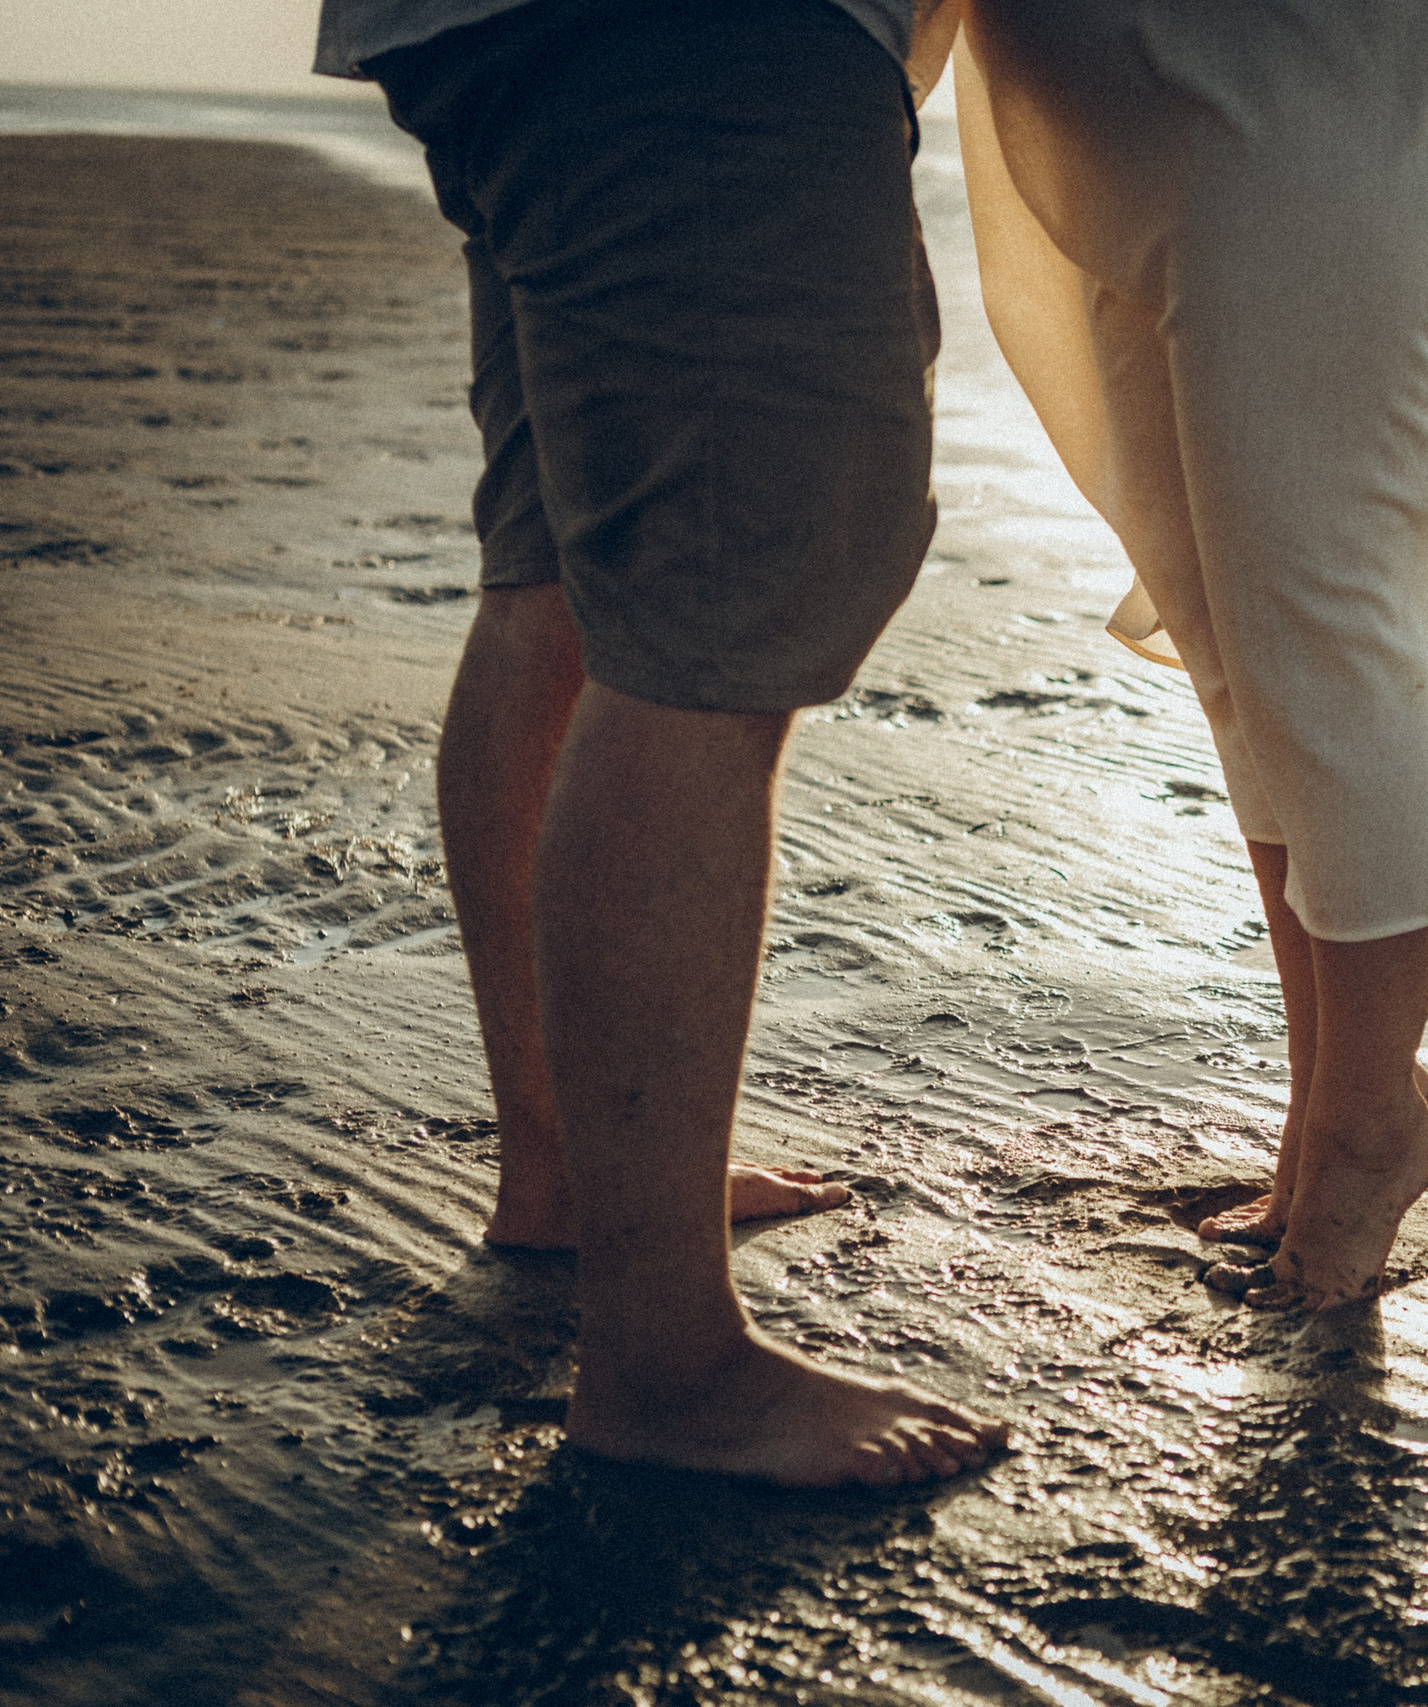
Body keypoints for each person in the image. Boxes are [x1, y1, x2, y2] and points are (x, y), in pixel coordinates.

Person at [315, 0, 1002, 1486]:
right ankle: (666, 1361)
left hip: (508, 32)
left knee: (562, 581)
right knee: (711, 622)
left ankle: (570, 1171)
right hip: (700, 35)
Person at [955, 0, 1428, 1310]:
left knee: (1335, 621)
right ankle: (1333, 1094)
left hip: (1286, 89)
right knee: (1236, 639)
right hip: (1114, 139)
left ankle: (1366, 1126)